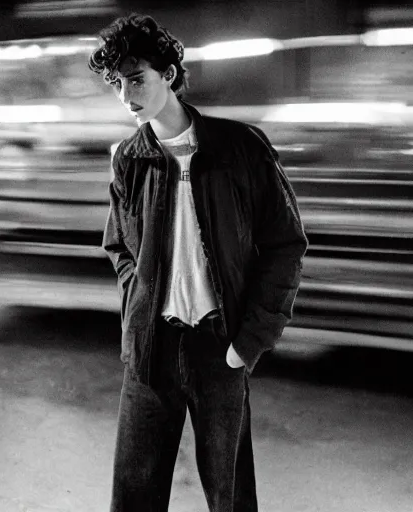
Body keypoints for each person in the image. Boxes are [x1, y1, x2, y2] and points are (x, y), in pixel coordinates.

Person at [88, 14, 308, 512]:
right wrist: (137, 310)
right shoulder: (130, 157)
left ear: (168, 75)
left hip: (219, 347)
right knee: (133, 498)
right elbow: (119, 246)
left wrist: (247, 342)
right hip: (151, 351)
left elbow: (285, 244)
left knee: (229, 499)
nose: (127, 95)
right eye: (118, 84)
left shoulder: (240, 147)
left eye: (136, 79)